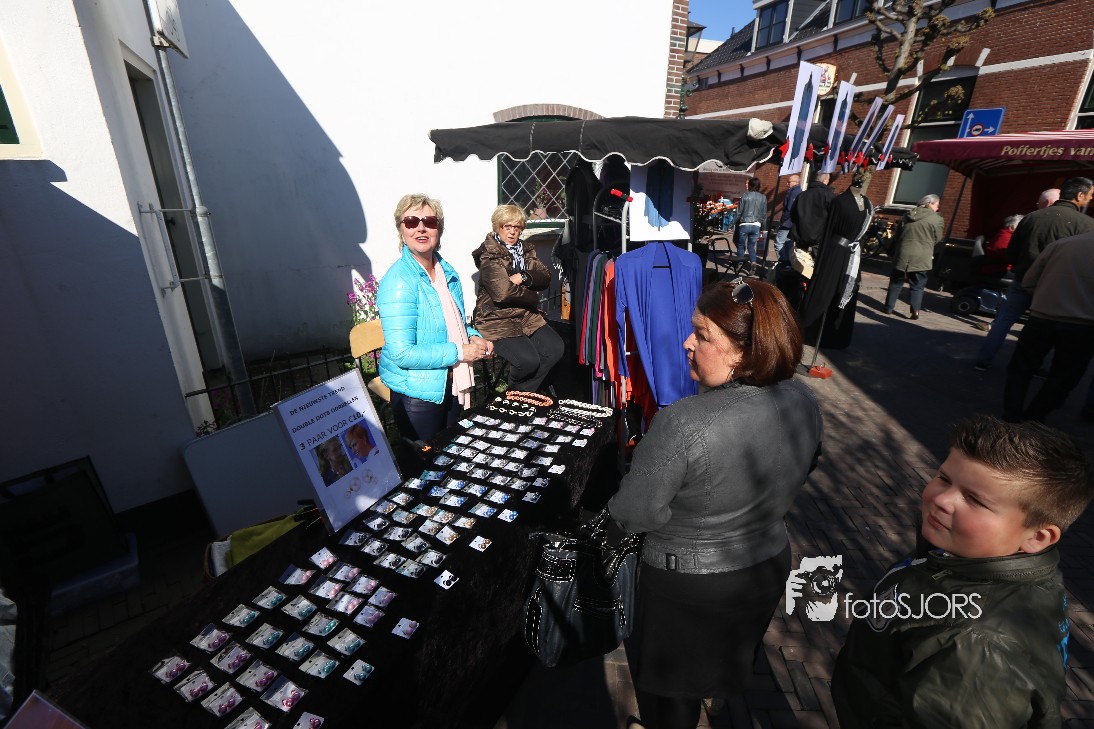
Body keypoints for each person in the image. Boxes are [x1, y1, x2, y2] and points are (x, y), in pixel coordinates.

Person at [607, 279, 823, 729]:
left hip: (688, 586)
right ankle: (716, 693)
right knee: (725, 660)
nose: (687, 343)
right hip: (765, 563)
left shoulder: (682, 423)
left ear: (744, 353)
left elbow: (635, 513)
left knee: (669, 695)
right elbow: (807, 464)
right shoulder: (804, 398)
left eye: (702, 335)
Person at [832, 415, 1094, 728]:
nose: (941, 500)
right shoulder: (961, 554)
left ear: (1037, 537)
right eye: (944, 478)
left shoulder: (976, 648)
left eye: (975, 499)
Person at [377, 193, 493, 442]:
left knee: (449, 452)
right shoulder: (399, 281)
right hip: (418, 393)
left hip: (450, 382)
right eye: (411, 221)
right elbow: (401, 353)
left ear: (438, 229)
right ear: (401, 230)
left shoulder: (445, 271)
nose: (421, 228)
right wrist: (460, 352)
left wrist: (474, 337)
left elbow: (452, 324)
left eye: (429, 221)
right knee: (424, 461)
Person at [975, 180, 1094, 370]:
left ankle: (984, 359)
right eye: (1090, 195)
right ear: (1080, 195)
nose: (1090, 199)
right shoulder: (1086, 224)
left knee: (1003, 321)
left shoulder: (1031, 217)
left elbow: (1012, 251)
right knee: (1043, 328)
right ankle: (1030, 367)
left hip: (1022, 279)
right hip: (1054, 286)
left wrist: (1022, 266)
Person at [471, 205, 563, 394]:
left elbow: (545, 277)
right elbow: (503, 293)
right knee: (528, 361)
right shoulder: (489, 255)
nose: (512, 232)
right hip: (496, 318)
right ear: (498, 227)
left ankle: (524, 393)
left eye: (517, 227)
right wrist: (533, 297)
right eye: (507, 226)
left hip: (525, 315)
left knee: (555, 348)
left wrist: (523, 276)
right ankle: (514, 396)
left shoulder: (526, 250)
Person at [1004, 231, 1094, 423]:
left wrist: (1044, 298)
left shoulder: (1062, 244)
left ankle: (1012, 414)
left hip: (1042, 316)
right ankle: (1035, 418)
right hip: (1083, 325)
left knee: (1021, 368)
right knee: (1064, 376)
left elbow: (1029, 281)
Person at [883, 193, 944, 320]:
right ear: (930, 203)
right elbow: (937, 239)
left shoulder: (907, 215)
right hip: (922, 256)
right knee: (918, 284)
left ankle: (888, 308)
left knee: (896, 281)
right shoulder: (937, 219)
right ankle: (915, 311)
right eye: (937, 205)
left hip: (903, 253)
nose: (938, 208)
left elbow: (897, 235)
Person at [789, 171, 836, 258]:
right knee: (817, 262)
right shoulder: (829, 196)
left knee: (800, 261)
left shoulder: (802, 195)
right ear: (825, 180)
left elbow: (792, 214)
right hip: (819, 236)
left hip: (801, 234)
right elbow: (833, 216)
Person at [974, 213, 1022, 278]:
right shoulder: (1005, 237)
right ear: (1012, 227)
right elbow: (1007, 255)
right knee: (1026, 279)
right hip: (998, 270)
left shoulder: (1007, 235)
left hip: (1000, 268)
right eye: (1021, 226)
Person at [734, 178, 768, 266]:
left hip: (744, 224)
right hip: (756, 225)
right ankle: (753, 262)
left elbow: (739, 212)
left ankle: (740, 263)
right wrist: (763, 228)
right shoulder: (763, 197)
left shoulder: (745, 196)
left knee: (741, 245)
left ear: (750, 185)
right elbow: (764, 215)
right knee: (751, 246)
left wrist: (731, 224)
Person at [773, 173, 802, 264]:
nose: (787, 184)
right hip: (792, 222)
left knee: (778, 242)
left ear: (796, 182)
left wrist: (784, 222)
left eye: (789, 182)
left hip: (788, 222)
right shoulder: (798, 191)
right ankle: (789, 264)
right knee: (788, 244)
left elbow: (789, 208)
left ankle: (784, 263)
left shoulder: (794, 192)